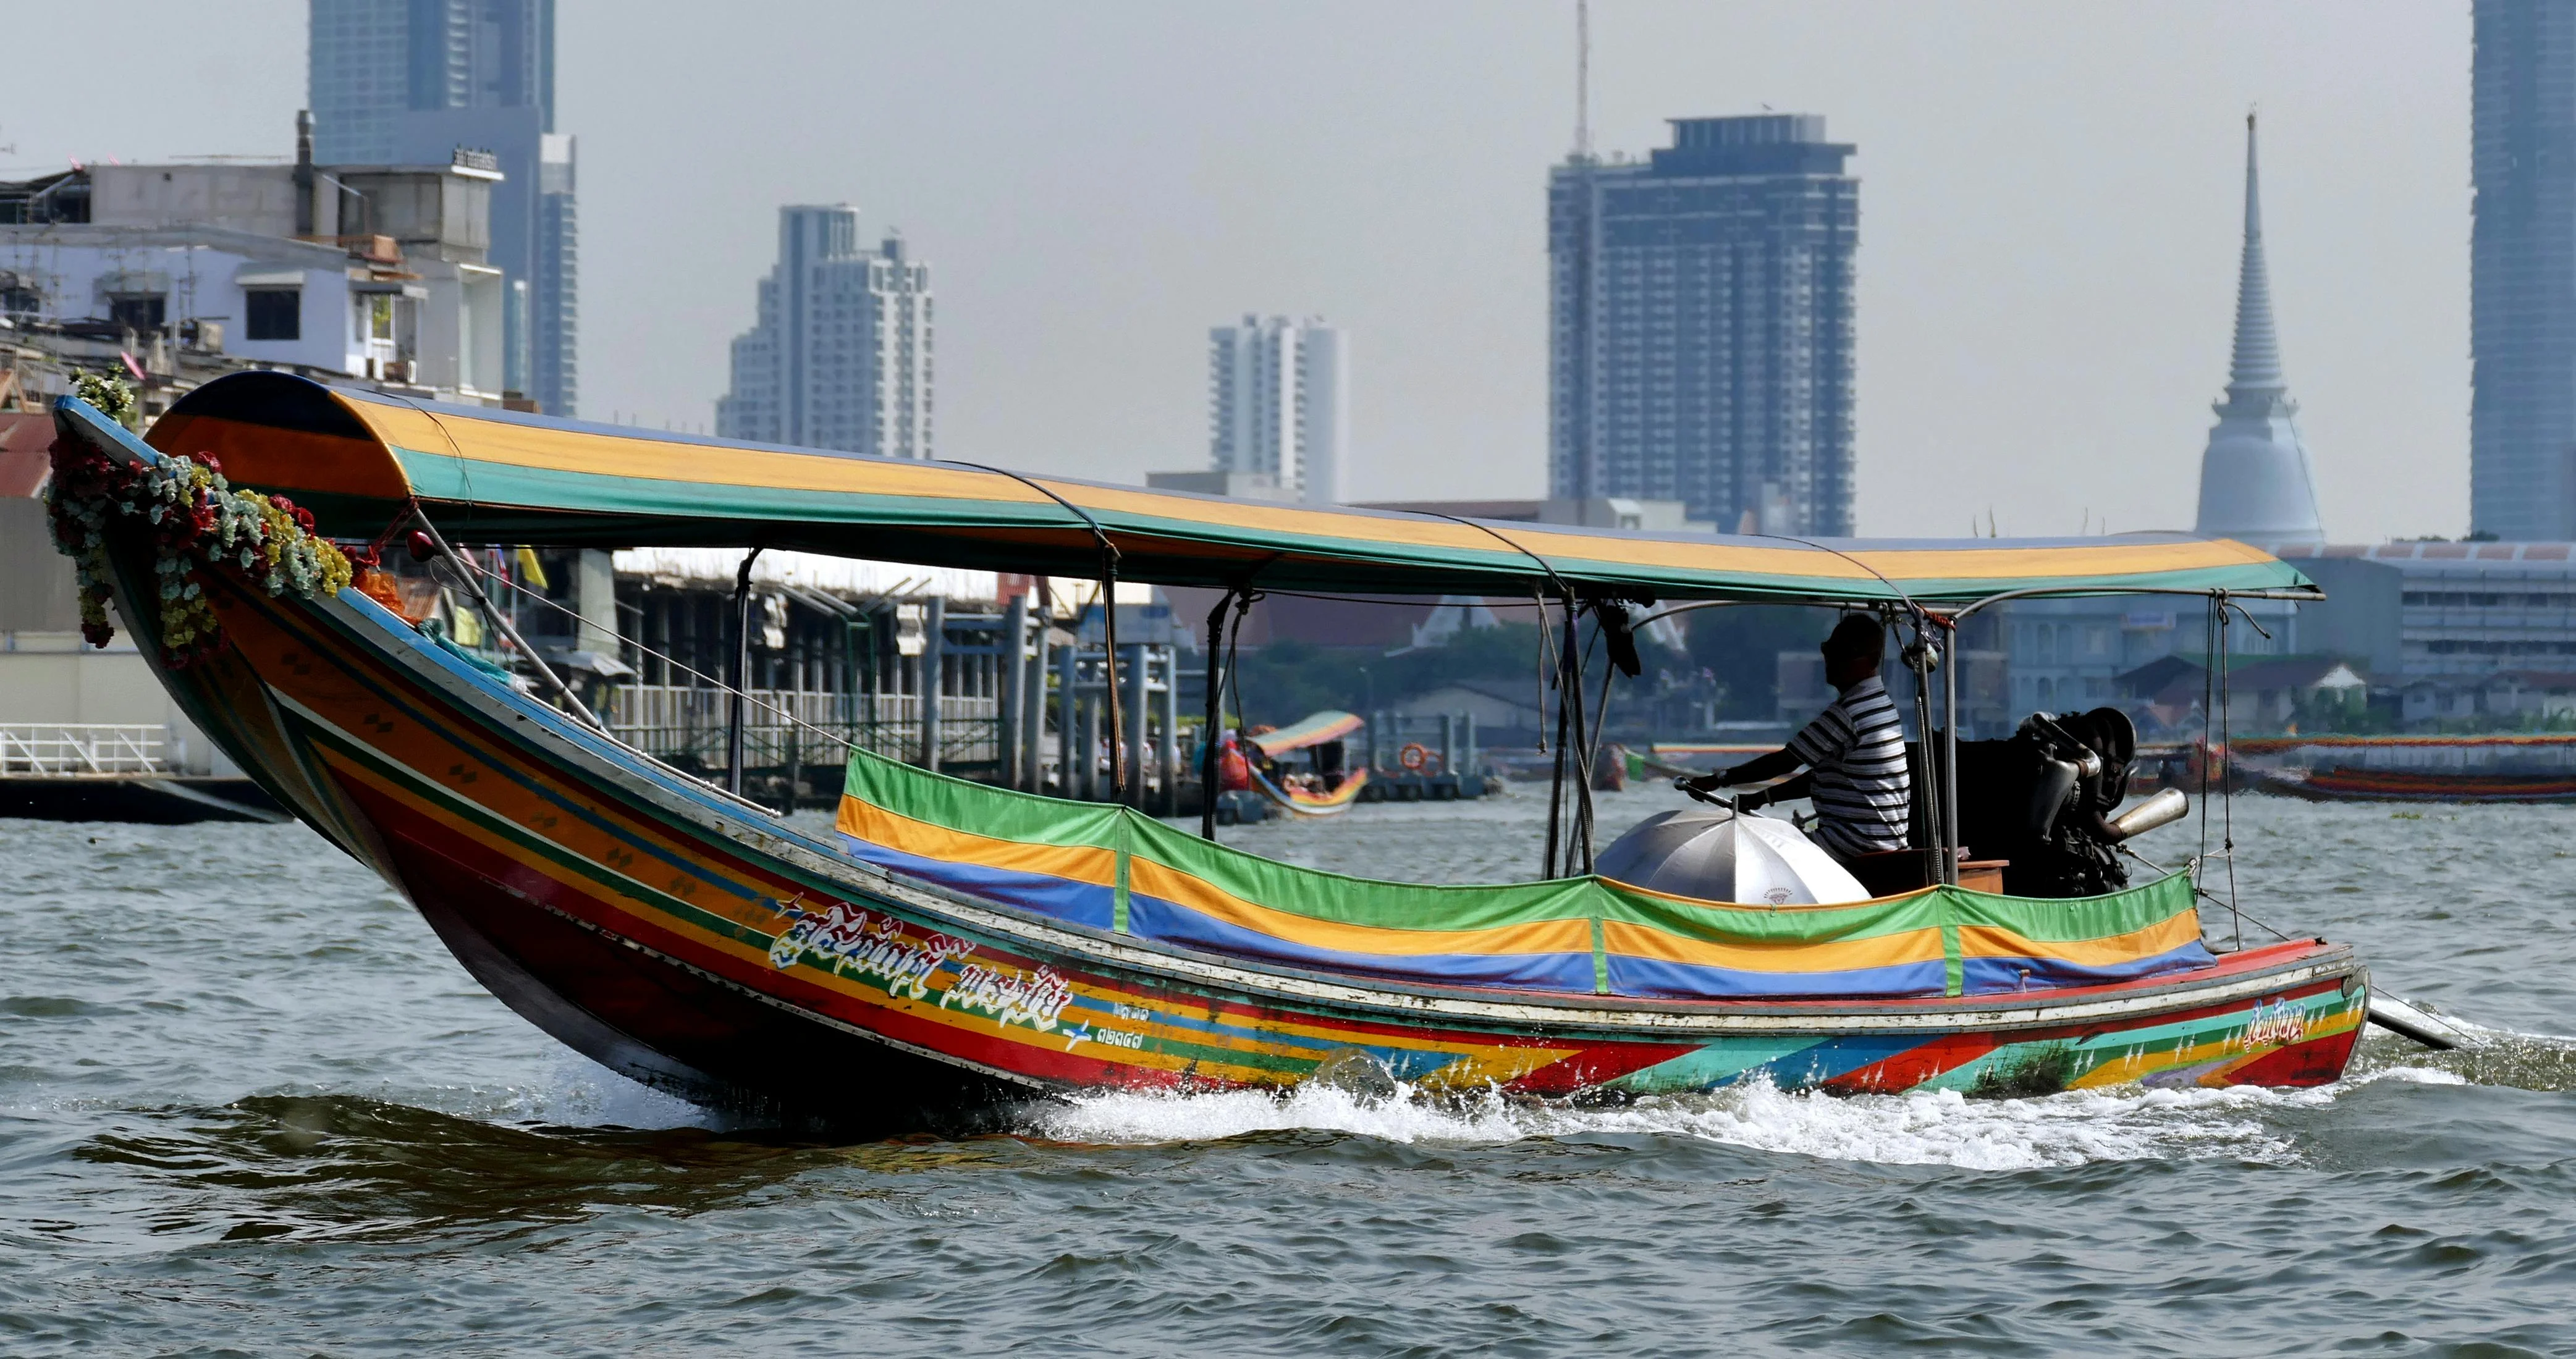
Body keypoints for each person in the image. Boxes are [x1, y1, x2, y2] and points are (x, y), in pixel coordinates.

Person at [1683, 614, 1909, 865]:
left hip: (1852, 845)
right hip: (1881, 841)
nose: (1830, 660)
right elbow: (1823, 775)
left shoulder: (1849, 713)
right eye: (1828, 650)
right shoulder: (1881, 704)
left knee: (1753, 853)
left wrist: (1719, 780)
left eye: (1841, 653)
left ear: (1869, 660)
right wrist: (1761, 798)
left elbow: (1784, 763)